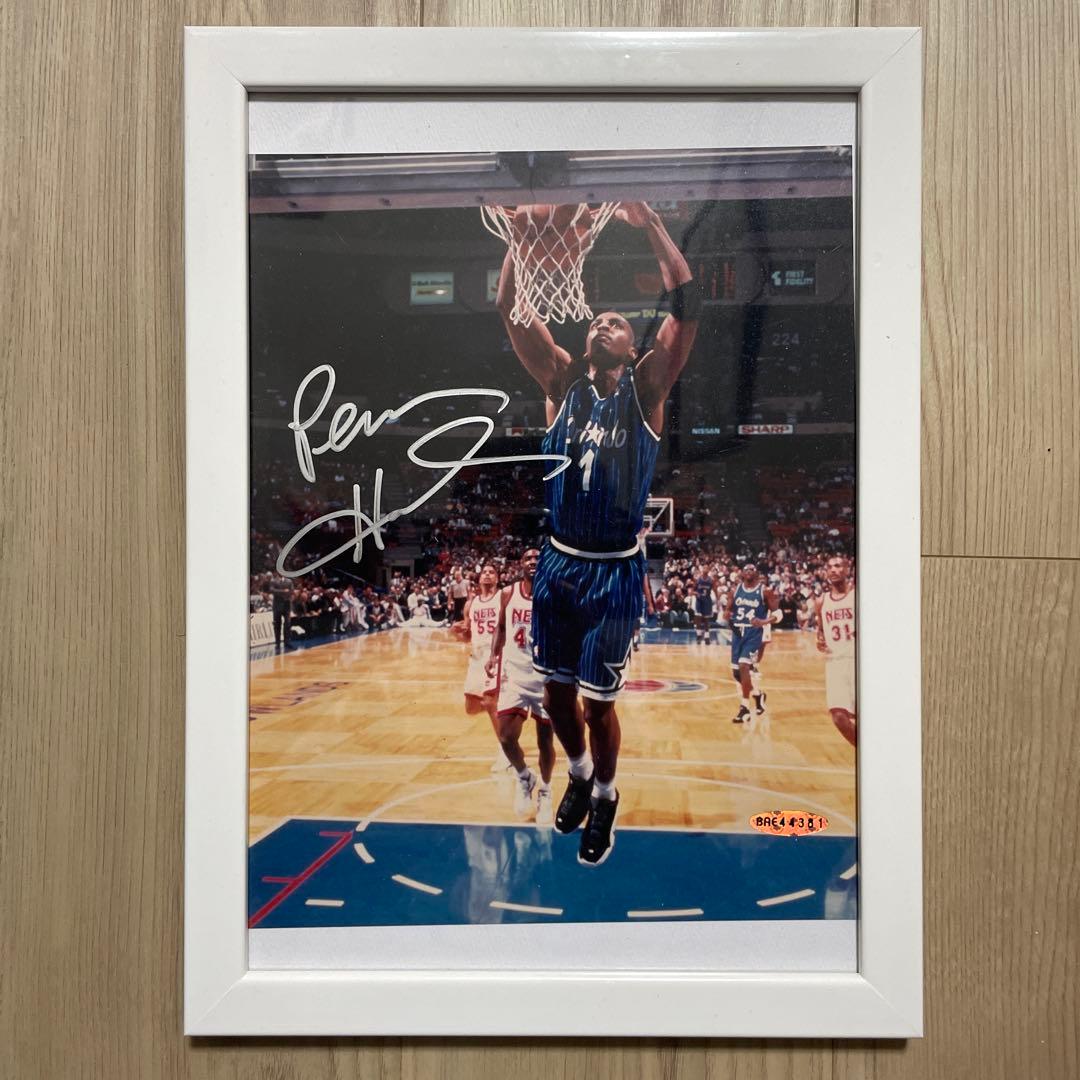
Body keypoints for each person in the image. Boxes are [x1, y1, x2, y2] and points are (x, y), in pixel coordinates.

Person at [496, 200, 699, 865]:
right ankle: (580, 777)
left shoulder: (646, 389)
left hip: (614, 569)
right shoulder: (560, 382)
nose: (603, 322)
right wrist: (520, 245)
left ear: (633, 348)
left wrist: (652, 226)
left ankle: (606, 794)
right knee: (555, 693)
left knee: (595, 705)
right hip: (558, 562)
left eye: (616, 322)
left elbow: (688, 306)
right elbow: (512, 311)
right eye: (597, 319)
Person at [485, 549, 556, 823]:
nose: (533, 562)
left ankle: (546, 791)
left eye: (537, 558)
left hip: (544, 677)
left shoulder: (552, 593)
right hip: (514, 675)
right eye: (528, 558)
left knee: (545, 740)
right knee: (505, 737)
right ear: (520, 564)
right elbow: (501, 627)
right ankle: (525, 776)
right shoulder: (508, 593)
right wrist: (493, 655)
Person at [724, 563, 782, 724]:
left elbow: (778, 613)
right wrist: (727, 614)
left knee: (745, 666)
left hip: (754, 633)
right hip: (737, 633)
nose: (749, 572)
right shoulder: (735, 590)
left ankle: (744, 708)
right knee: (737, 674)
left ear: (757, 573)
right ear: (742, 573)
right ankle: (758, 695)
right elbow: (728, 610)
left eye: (752, 569)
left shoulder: (765, 591)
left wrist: (764, 621)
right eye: (746, 570)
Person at [452, 563, 503, 740]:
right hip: (476, 657)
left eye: (492, 572)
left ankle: (506, 748)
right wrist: (455, 632)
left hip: (495, 655)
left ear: (497, 578)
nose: (487, 574)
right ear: (479, 579)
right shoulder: (470, 604)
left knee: (490, 702)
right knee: (471, 708)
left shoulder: (503, 598)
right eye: (484, 572)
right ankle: (506, 712)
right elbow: (468, 636)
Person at [815, 555, 857, 746]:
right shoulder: (821, 601)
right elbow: (821, 632)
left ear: (847, 570)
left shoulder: (857, 596)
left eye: (838, 566)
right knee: (839, 717)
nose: (833, 570)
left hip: (858, 661)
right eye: (830, 567)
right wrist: (820, 641)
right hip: (835, 663)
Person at [692, 566, 718, 645]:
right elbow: (693, 590)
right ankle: (699, 636)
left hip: (707, 601)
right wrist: (696, 593)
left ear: (708, 570)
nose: (705, 569)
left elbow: (715, 590)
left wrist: (718, 600)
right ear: (702, 570)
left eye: (707, 568)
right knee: (698, 618)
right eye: (704, 568)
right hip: (699, 601)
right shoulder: (698, 579)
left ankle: (707, 637)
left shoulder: (711, 580)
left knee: (706, 620)